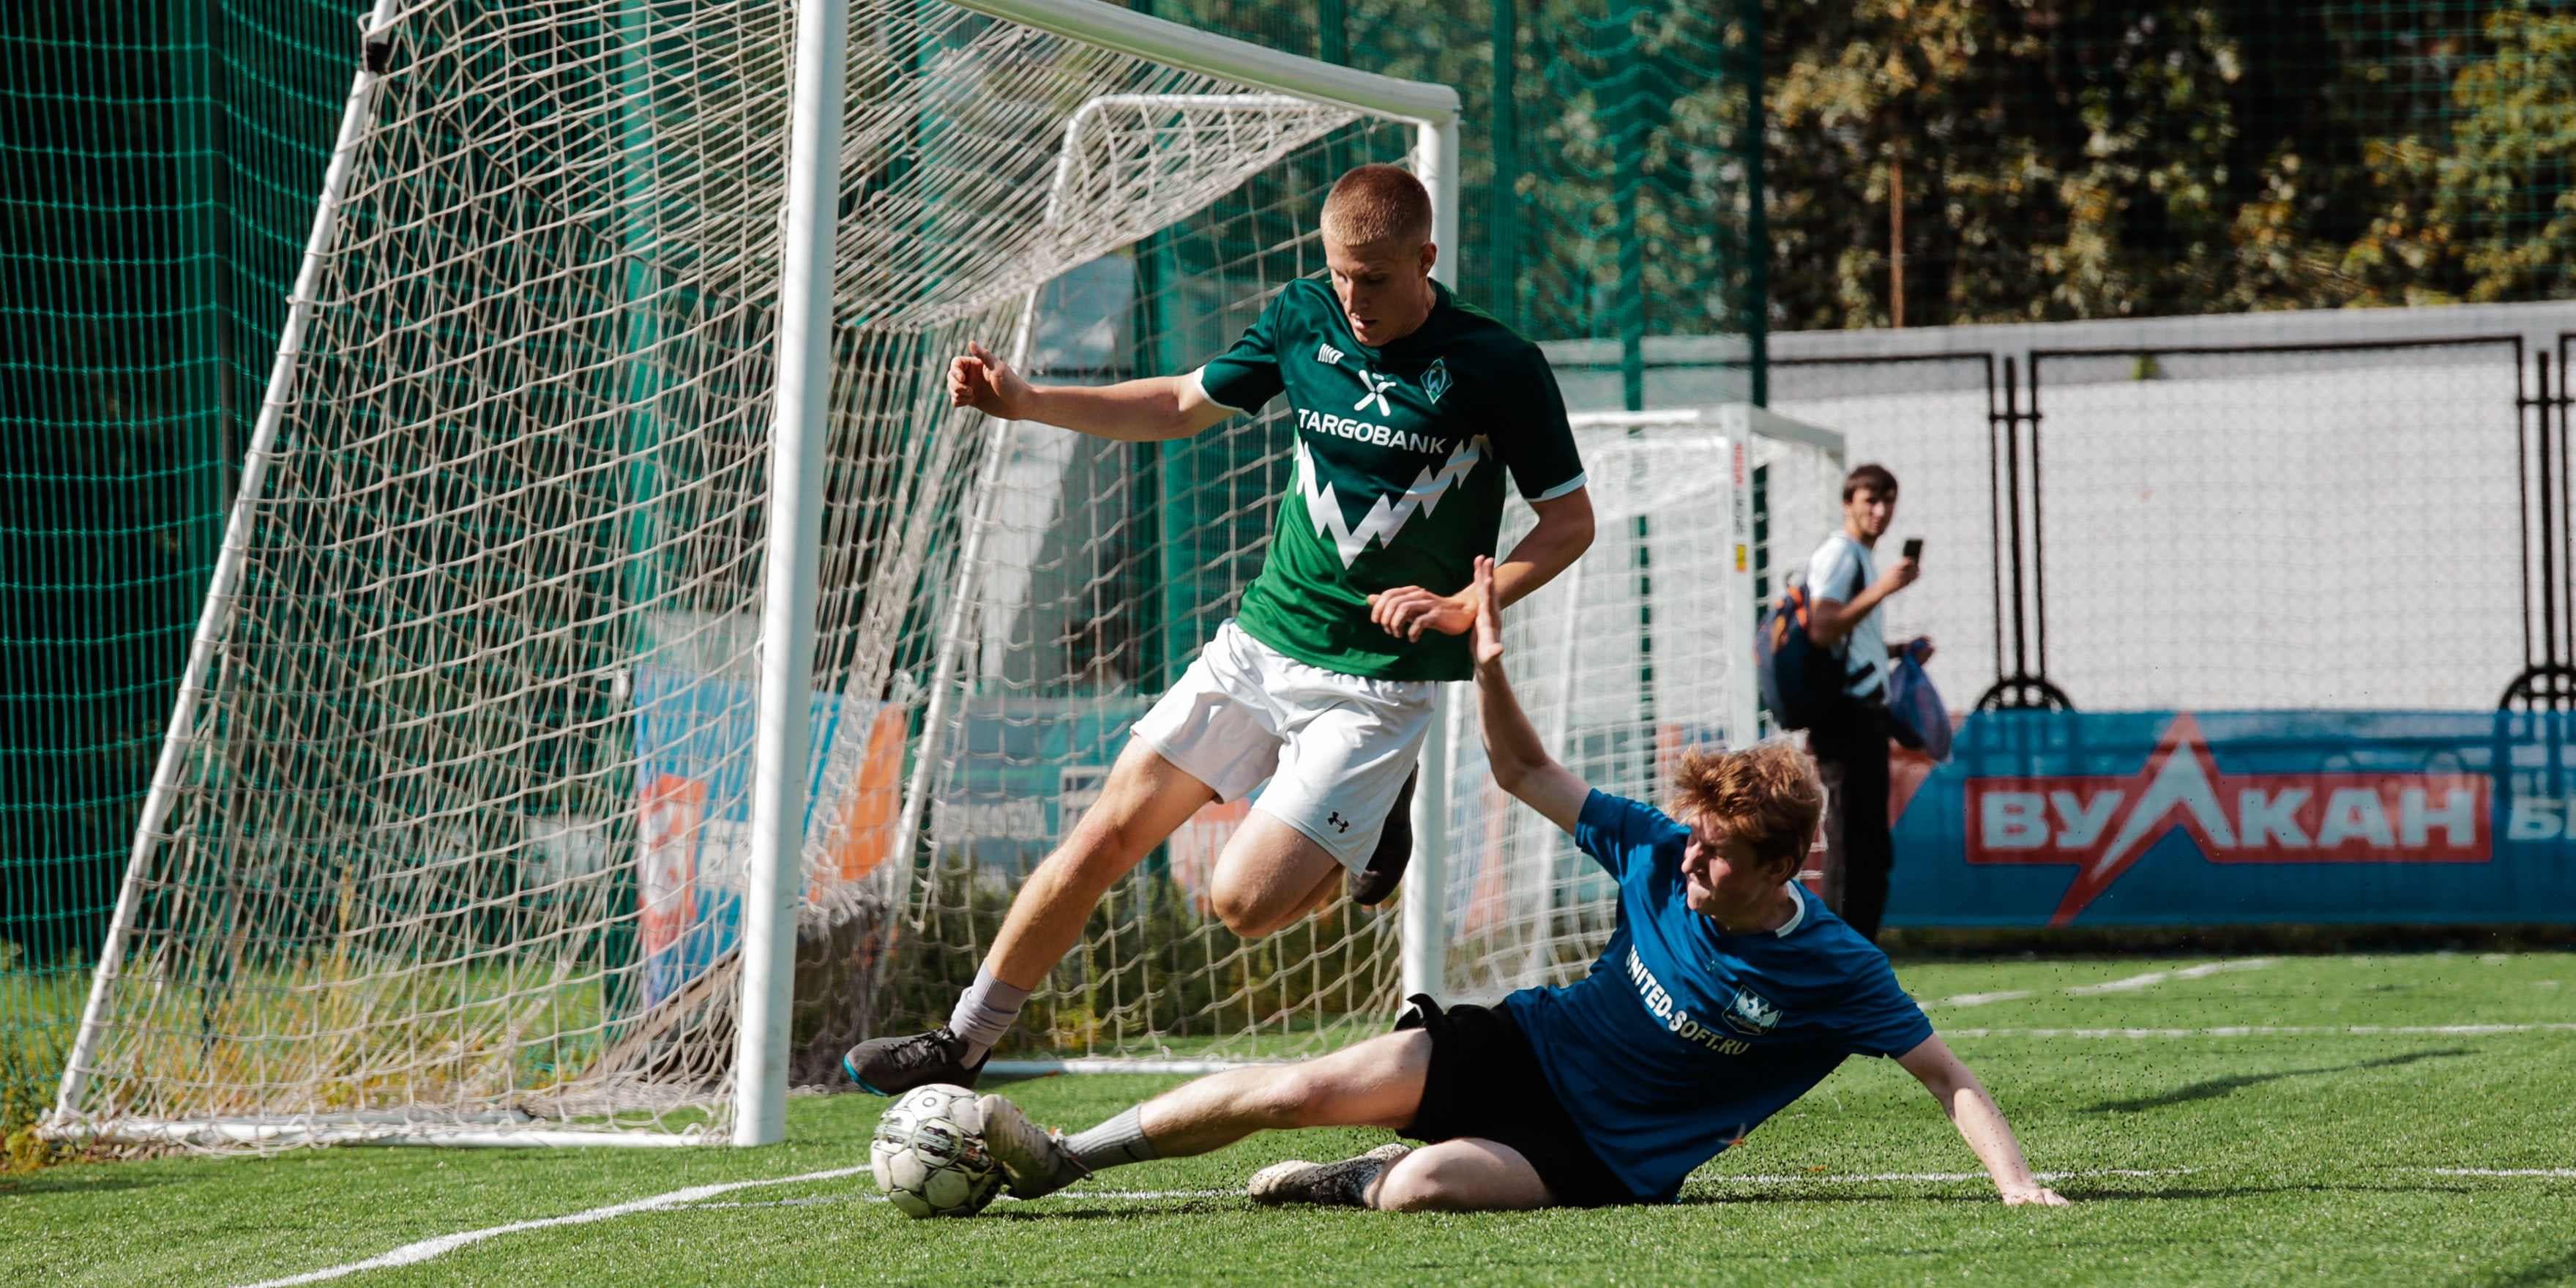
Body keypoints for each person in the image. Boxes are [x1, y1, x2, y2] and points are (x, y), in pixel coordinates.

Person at [968, 555, 2069, 1213]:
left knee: (1417, 1192)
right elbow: (1524, 770)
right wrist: (1485, 662)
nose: (1691, 857)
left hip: (1598, 1154)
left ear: (1782, 866)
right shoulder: (1649, 847)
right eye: (1692, 837)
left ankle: (1352, 1174)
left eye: (1718, 850)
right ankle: (1064, 1155)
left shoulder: (1832, 963)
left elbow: (1945, 1074)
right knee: (1290, 1088)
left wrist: (2014, 1181)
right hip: (1518, 1044)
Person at [844, 164, 1597, 1096]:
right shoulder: (1303, 317)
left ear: (1426, 258)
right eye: (1339, 274)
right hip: (1259, 642)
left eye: (1375, 277)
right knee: (1103, 836)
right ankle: (962, 1042)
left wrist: (1464, 607)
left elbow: (1569, 523)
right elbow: (1176, 405)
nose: (1353, 298)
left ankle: (1370, 820)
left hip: (1376, 683)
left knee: (1239, 904)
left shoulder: (1499, 365)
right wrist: (1030, 400)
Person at [1802, 463, 1931, 942]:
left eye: (1888, 500)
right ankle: (1841, 955)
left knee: (1869, 847)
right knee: (1853, 846)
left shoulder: (1859, 556)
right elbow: (1822, 625)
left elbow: (1849, 638)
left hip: (1863, 717)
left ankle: (1853, 954)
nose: (1880, 510)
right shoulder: (1840, 554)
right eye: (1869, 500)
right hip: (1845, 717)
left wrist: (1900, 650)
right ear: (1847, 503)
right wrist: (1885, 588)